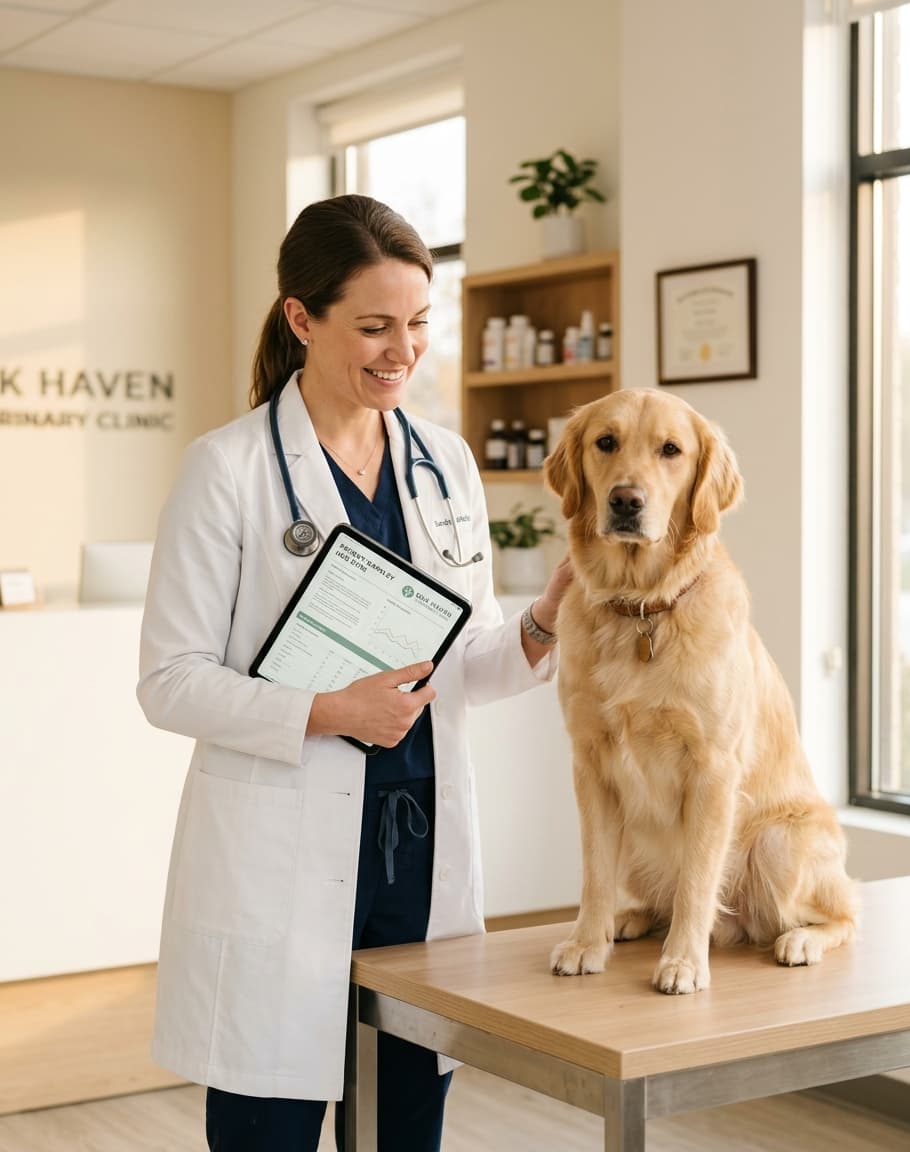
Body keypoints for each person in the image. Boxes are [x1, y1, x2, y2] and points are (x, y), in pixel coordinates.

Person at [137, 194, 571, 1152]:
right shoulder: (228, 470)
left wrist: (548, 618)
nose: (402, 351)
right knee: (270, 1127)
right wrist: (328, 709)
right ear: (302, 317)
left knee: (404, 1126)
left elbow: (466, 668)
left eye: (418, 324)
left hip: (417, 856)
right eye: (374, 326)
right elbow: (169, 680)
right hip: (282, 852)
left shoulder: (446, 464)